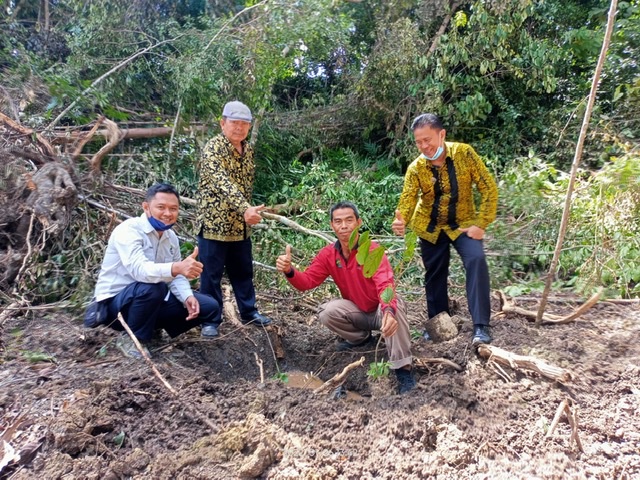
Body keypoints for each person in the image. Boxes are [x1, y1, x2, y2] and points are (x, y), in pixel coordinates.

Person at [276, 201, 416, 394]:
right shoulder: (329, 255)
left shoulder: (372, 250)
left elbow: (385, 283)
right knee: (327, 311)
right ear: (332, 225)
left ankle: (403, 370)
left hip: (379, 311)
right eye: (338, 221)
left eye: (349, 220)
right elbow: (307, 282)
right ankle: (360, 338)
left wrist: (388, 311)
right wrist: (289, 271)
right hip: (358, 312)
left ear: (358, 222)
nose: (344, 226)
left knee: (396, 304)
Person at [392, 113, 498, 345]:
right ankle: (439, 326)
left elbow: (488, 187)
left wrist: (482, 223)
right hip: (430, 226)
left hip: (463, 224)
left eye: (427, 140)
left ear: (442, 134)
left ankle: (481, 326)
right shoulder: (416, 168)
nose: (424, 146)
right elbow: (408, 200)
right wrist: (401, 220)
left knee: (476, 260)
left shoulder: (464, 153)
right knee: (435, 274)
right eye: (419, 142)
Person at [83, 183, 220, 359]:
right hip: (115, 307)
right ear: (146, 207)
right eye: (161, 207)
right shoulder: (129, 230)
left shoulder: (171, 238)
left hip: (150, 299)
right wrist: (176, 267)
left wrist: (187, 296)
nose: (168, 214)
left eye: (173, 209)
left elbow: (175, 277)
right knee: (153, 287)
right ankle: (133, 338)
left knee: (209, 306)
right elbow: (140, 271)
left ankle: (152, 332)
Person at [196, 100, 273, 338]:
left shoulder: (247, 150)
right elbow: (223, 184)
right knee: (211, 274)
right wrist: (245, 208)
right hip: (214, 224)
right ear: (222, 123)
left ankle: (249, 312)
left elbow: (244, 187)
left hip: (240, 227)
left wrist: (247, 211)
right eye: (234, 123)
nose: (239, 128)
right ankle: (210, 319)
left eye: (244, 124)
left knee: (243, 271)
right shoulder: (213, 148)